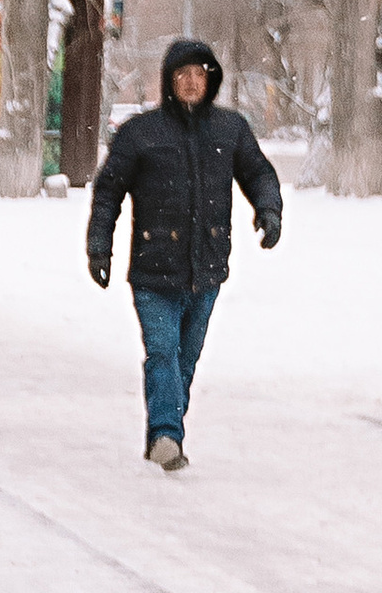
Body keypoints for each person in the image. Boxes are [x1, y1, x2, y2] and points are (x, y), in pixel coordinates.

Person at [85, 35, 281, 469]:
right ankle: (166, 437)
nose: (192, 82)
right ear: (169, 81)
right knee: (162, 351)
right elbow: (108, 192)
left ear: (211, 80)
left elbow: (259, 172)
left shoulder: (230, 129)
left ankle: (164, 425)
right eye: (183, 75)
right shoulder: (141, 133)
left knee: (184, 360)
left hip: (206, 269)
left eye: (200, 74)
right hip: (154, 272)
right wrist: (99, 247)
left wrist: (269, 210)